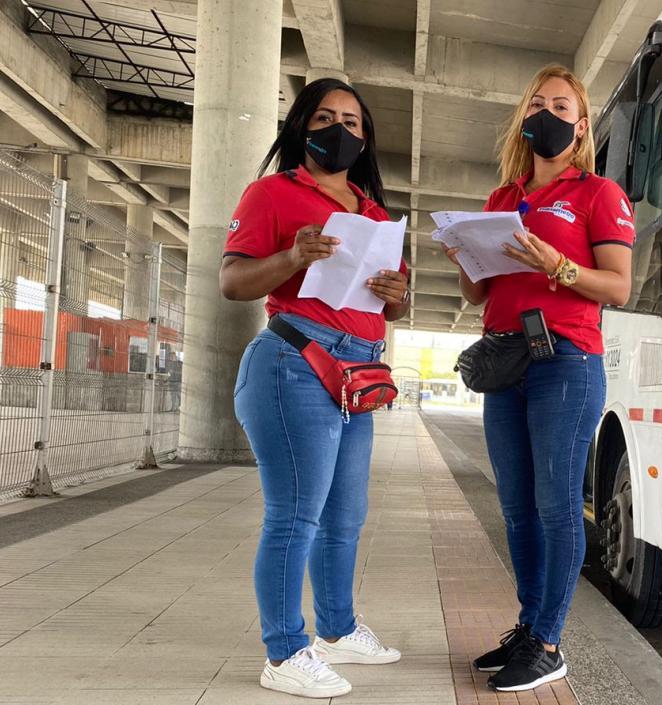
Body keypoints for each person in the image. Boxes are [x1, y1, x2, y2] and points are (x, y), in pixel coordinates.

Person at [443, 64, 634, 693]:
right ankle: (528, 629)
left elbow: (619, 287)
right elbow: (478, 294)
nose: (545, 115)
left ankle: (549, 642)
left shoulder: (598, 194)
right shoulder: (502, 199)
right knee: (517, 509)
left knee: (556, 509)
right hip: (506, 362)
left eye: (560, 107)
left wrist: (560, 266)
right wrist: (463, 255)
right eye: (536, 105)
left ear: (580, 127)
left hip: (565, 363)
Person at [221, 78, 410, 699]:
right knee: (295, 515)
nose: (339, 130)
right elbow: (234, 282)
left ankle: (337, 629)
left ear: (366, 138)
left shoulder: (374, 214)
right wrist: (293, 258)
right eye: (325, 118)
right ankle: (283, 651)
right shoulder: (272, 193)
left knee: (345, 517)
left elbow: (392, 307)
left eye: (352, 122)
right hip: (294, 364)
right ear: (301, 126)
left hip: (359, 375)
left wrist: (398, 296)